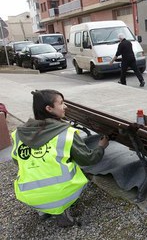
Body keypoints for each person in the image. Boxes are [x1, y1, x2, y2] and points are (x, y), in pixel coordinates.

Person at [11, 89, 109, 227]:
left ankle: (43, 209)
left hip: (27, 195)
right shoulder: (65, 133)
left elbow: (17, 161)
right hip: (60, 194)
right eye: (62, 103)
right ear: (49, 109)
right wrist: (101, 147)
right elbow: (88, 159)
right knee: (72, 163)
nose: (66, 107)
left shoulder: (18, 134)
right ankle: (62, 212)